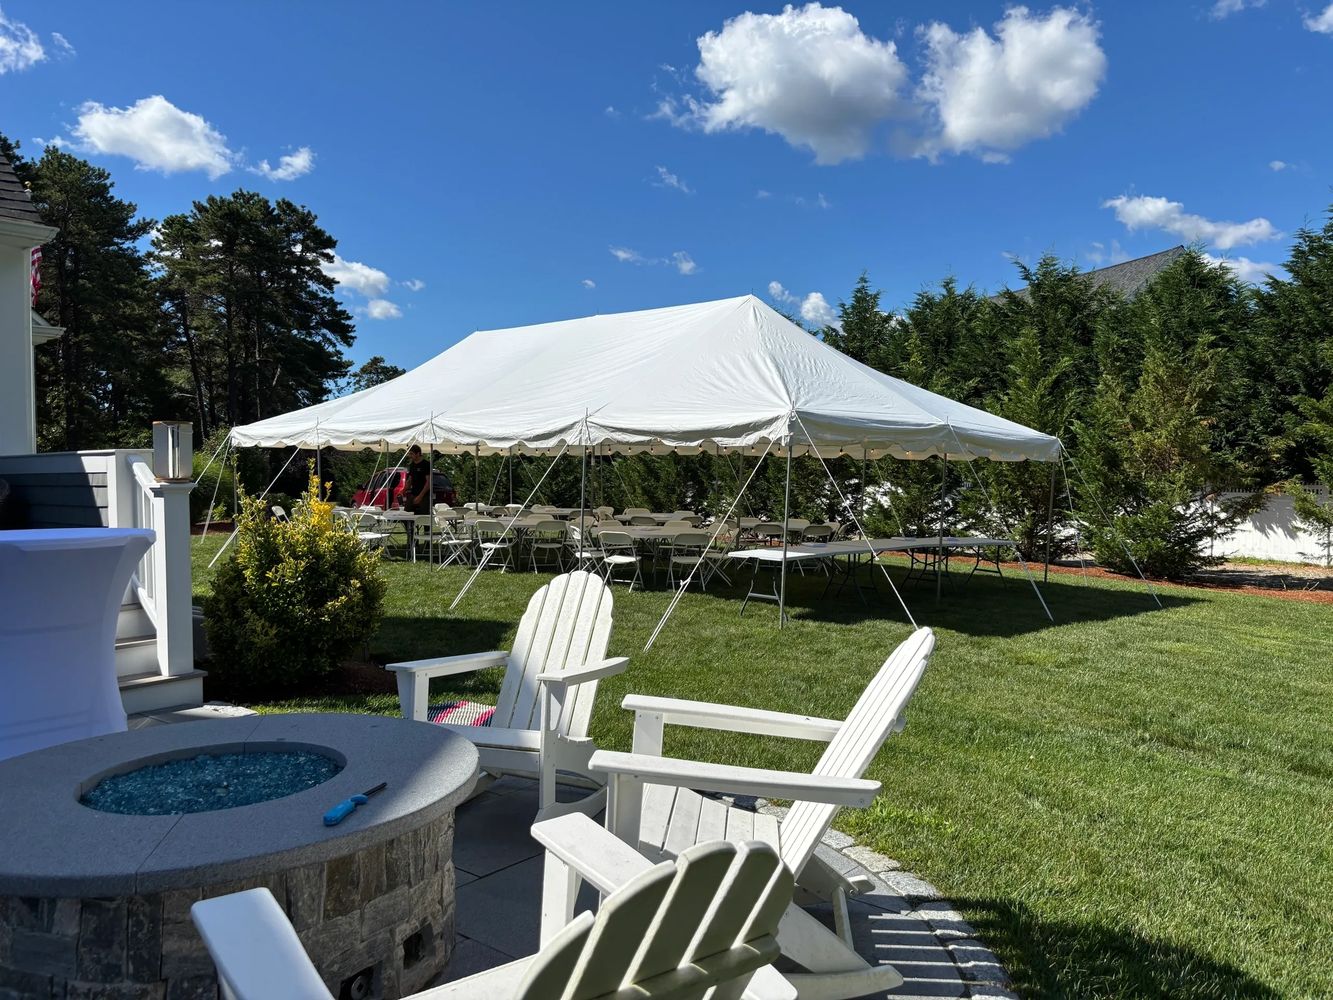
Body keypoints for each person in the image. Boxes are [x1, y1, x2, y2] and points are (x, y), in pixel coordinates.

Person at [403, 446, 431, 557]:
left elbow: (428, 483)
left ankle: (427, 542)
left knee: (424, 519)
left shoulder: (426, 464)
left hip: (424, 495)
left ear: (418, 453)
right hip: (413, 494)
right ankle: (412, 539)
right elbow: (410, 480)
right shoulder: (412, 465)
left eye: (411, 454)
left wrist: (420, 496)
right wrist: (403, 490)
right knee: (405, 516)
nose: (410, 456)